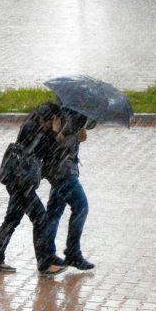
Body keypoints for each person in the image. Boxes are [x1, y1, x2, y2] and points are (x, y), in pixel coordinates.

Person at [0, 102, 68, 276]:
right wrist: (55, 133)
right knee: (41, 219)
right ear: (47, 119)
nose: (55, 123)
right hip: (21, 183)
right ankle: (45, 263)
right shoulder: (37, 131)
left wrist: (53, 133)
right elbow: (51, 152)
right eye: (54, 120)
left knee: (12, 219)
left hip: (16, 180)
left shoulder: (31, 125)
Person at [41, 106, 97, 271]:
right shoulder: (66, 113)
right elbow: (56, 144)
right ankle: (72, 252)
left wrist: (82, 131)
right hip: (62, 170)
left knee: (54, 211)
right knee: (81, 206)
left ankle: (47, 254)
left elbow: (90, 124)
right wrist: (76, 138)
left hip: (60, 169)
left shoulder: (76, 111)